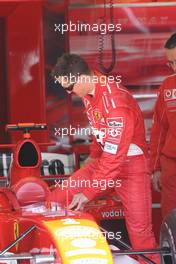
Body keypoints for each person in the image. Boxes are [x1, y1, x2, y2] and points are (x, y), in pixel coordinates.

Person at [50, 53, 159, 264]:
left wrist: (88, 193)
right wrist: (92, 158)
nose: (68, 92)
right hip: (104, 163)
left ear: (81, 78)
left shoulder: (116, 104)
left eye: (69, 87)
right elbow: (98, 132)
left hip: (130, 169)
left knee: (140, 235)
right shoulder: (87, 90)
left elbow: (113, 159)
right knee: (56, 200)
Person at [150, 33, 176, 219]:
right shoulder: (167, 86)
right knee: (171, 219)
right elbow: (159, 129)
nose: (174, 68)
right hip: (171, 165)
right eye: (171, 63)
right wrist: (156, 167)